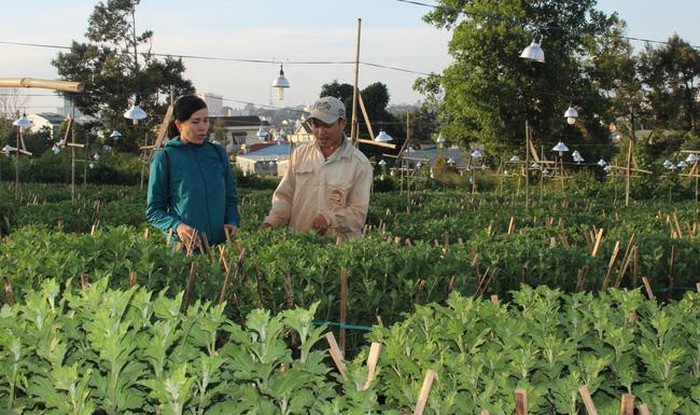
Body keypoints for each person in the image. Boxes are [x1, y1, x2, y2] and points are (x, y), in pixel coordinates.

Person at [260, 96, 373, 241]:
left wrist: (329, 219)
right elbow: (285, 197)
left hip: (339, 251)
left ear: (342, 123)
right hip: (300, 247)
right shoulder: (300, 155)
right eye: (316, 125)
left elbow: (358, 214)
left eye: (327, 125)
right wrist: (271, 222)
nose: (320, 131)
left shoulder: (359, 164)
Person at [146, 94, 240, 248]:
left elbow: (230, 197)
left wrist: (232, 221)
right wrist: (177, 226)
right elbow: (154, 211)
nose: (202, 127)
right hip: (185, 250)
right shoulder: (165, 158)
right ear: (179, 125)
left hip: (220, 249)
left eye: (206, 120)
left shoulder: (217, 153)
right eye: (195, 122)